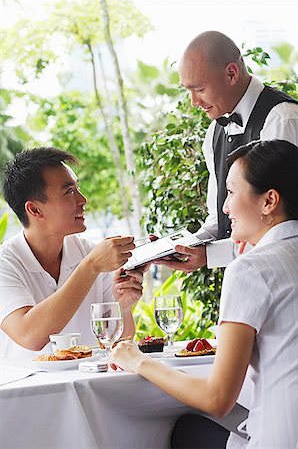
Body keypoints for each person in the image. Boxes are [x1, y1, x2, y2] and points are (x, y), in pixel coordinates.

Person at [110, 140, 298, 448]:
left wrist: (137, 360)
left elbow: (217, 398)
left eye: (232, 192)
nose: (225, 207)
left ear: (269, 201)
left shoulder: (251, 270)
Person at [155, 30, 298, 272]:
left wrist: (211, 255)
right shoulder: (214, 133)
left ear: (231, 73)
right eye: (187, 91)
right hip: (246, 274)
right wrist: (185, 247)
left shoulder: (282, 119)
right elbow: (218, 217)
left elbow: (285, 227)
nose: (193, 102)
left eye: (199, 89)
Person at [0, 147, 143, 358]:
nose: (82, 200)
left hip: (88, 387)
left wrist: (124, 306)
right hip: (30, 390)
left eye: (78, 189)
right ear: (35, 210)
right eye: (69, 192)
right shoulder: (6, 263)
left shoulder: (90, 252)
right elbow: (29, 335)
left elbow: (120, 344)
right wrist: (90, 266)